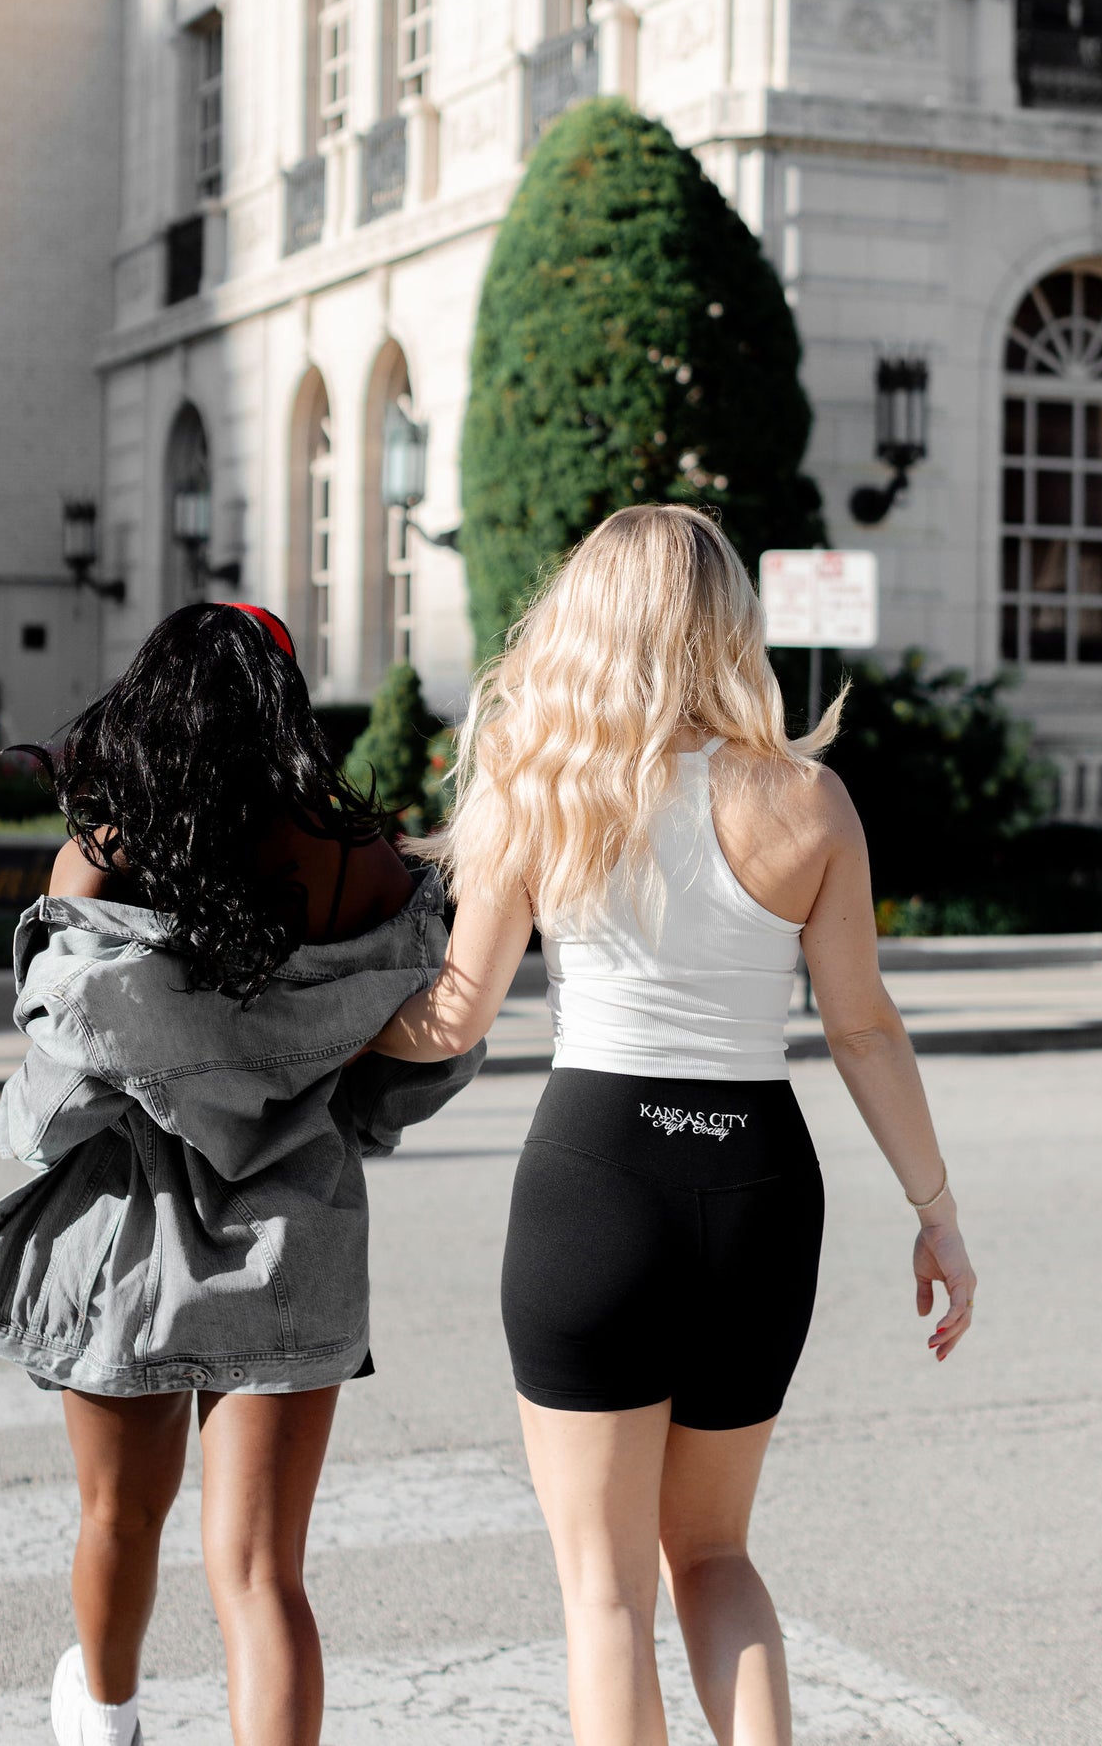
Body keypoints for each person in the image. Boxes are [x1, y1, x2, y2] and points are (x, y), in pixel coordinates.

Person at [372, 505, 977, 1746]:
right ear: (729, 626)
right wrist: (935, 1213)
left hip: (595, 1178)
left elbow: (455, 1014)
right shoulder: (810, 801)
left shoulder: (541, 777)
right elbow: (863, 1028)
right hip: (758, 1185)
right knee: (713, 1552)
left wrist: (303, 1042)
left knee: (602, 1594)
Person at [0, 602, 482, 1746]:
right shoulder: (366, 866)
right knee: (265, 1573)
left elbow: (66, 1081)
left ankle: (107, 1719)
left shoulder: (108, 855)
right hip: (296, 1238)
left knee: (118, 1517)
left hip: (128, 1234)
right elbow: (409, 1073)